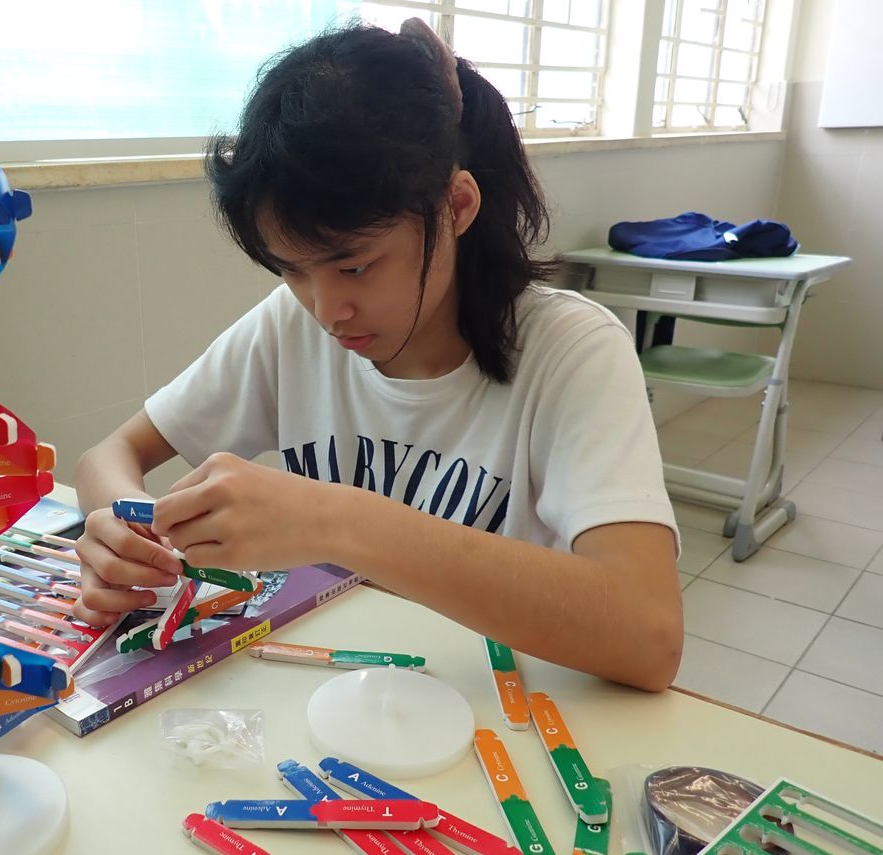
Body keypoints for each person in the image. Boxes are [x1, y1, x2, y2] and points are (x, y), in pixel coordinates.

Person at [72, 18, 682, 691]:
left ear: (456, 206)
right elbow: (107, 456)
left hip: (499, 709)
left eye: (355, 267)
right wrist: (125, 529)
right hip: (336, 695)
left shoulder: (572, 350)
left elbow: (649, 635)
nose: (327, 309)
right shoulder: (290, 326)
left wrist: (335, 521)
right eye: (291, 270)